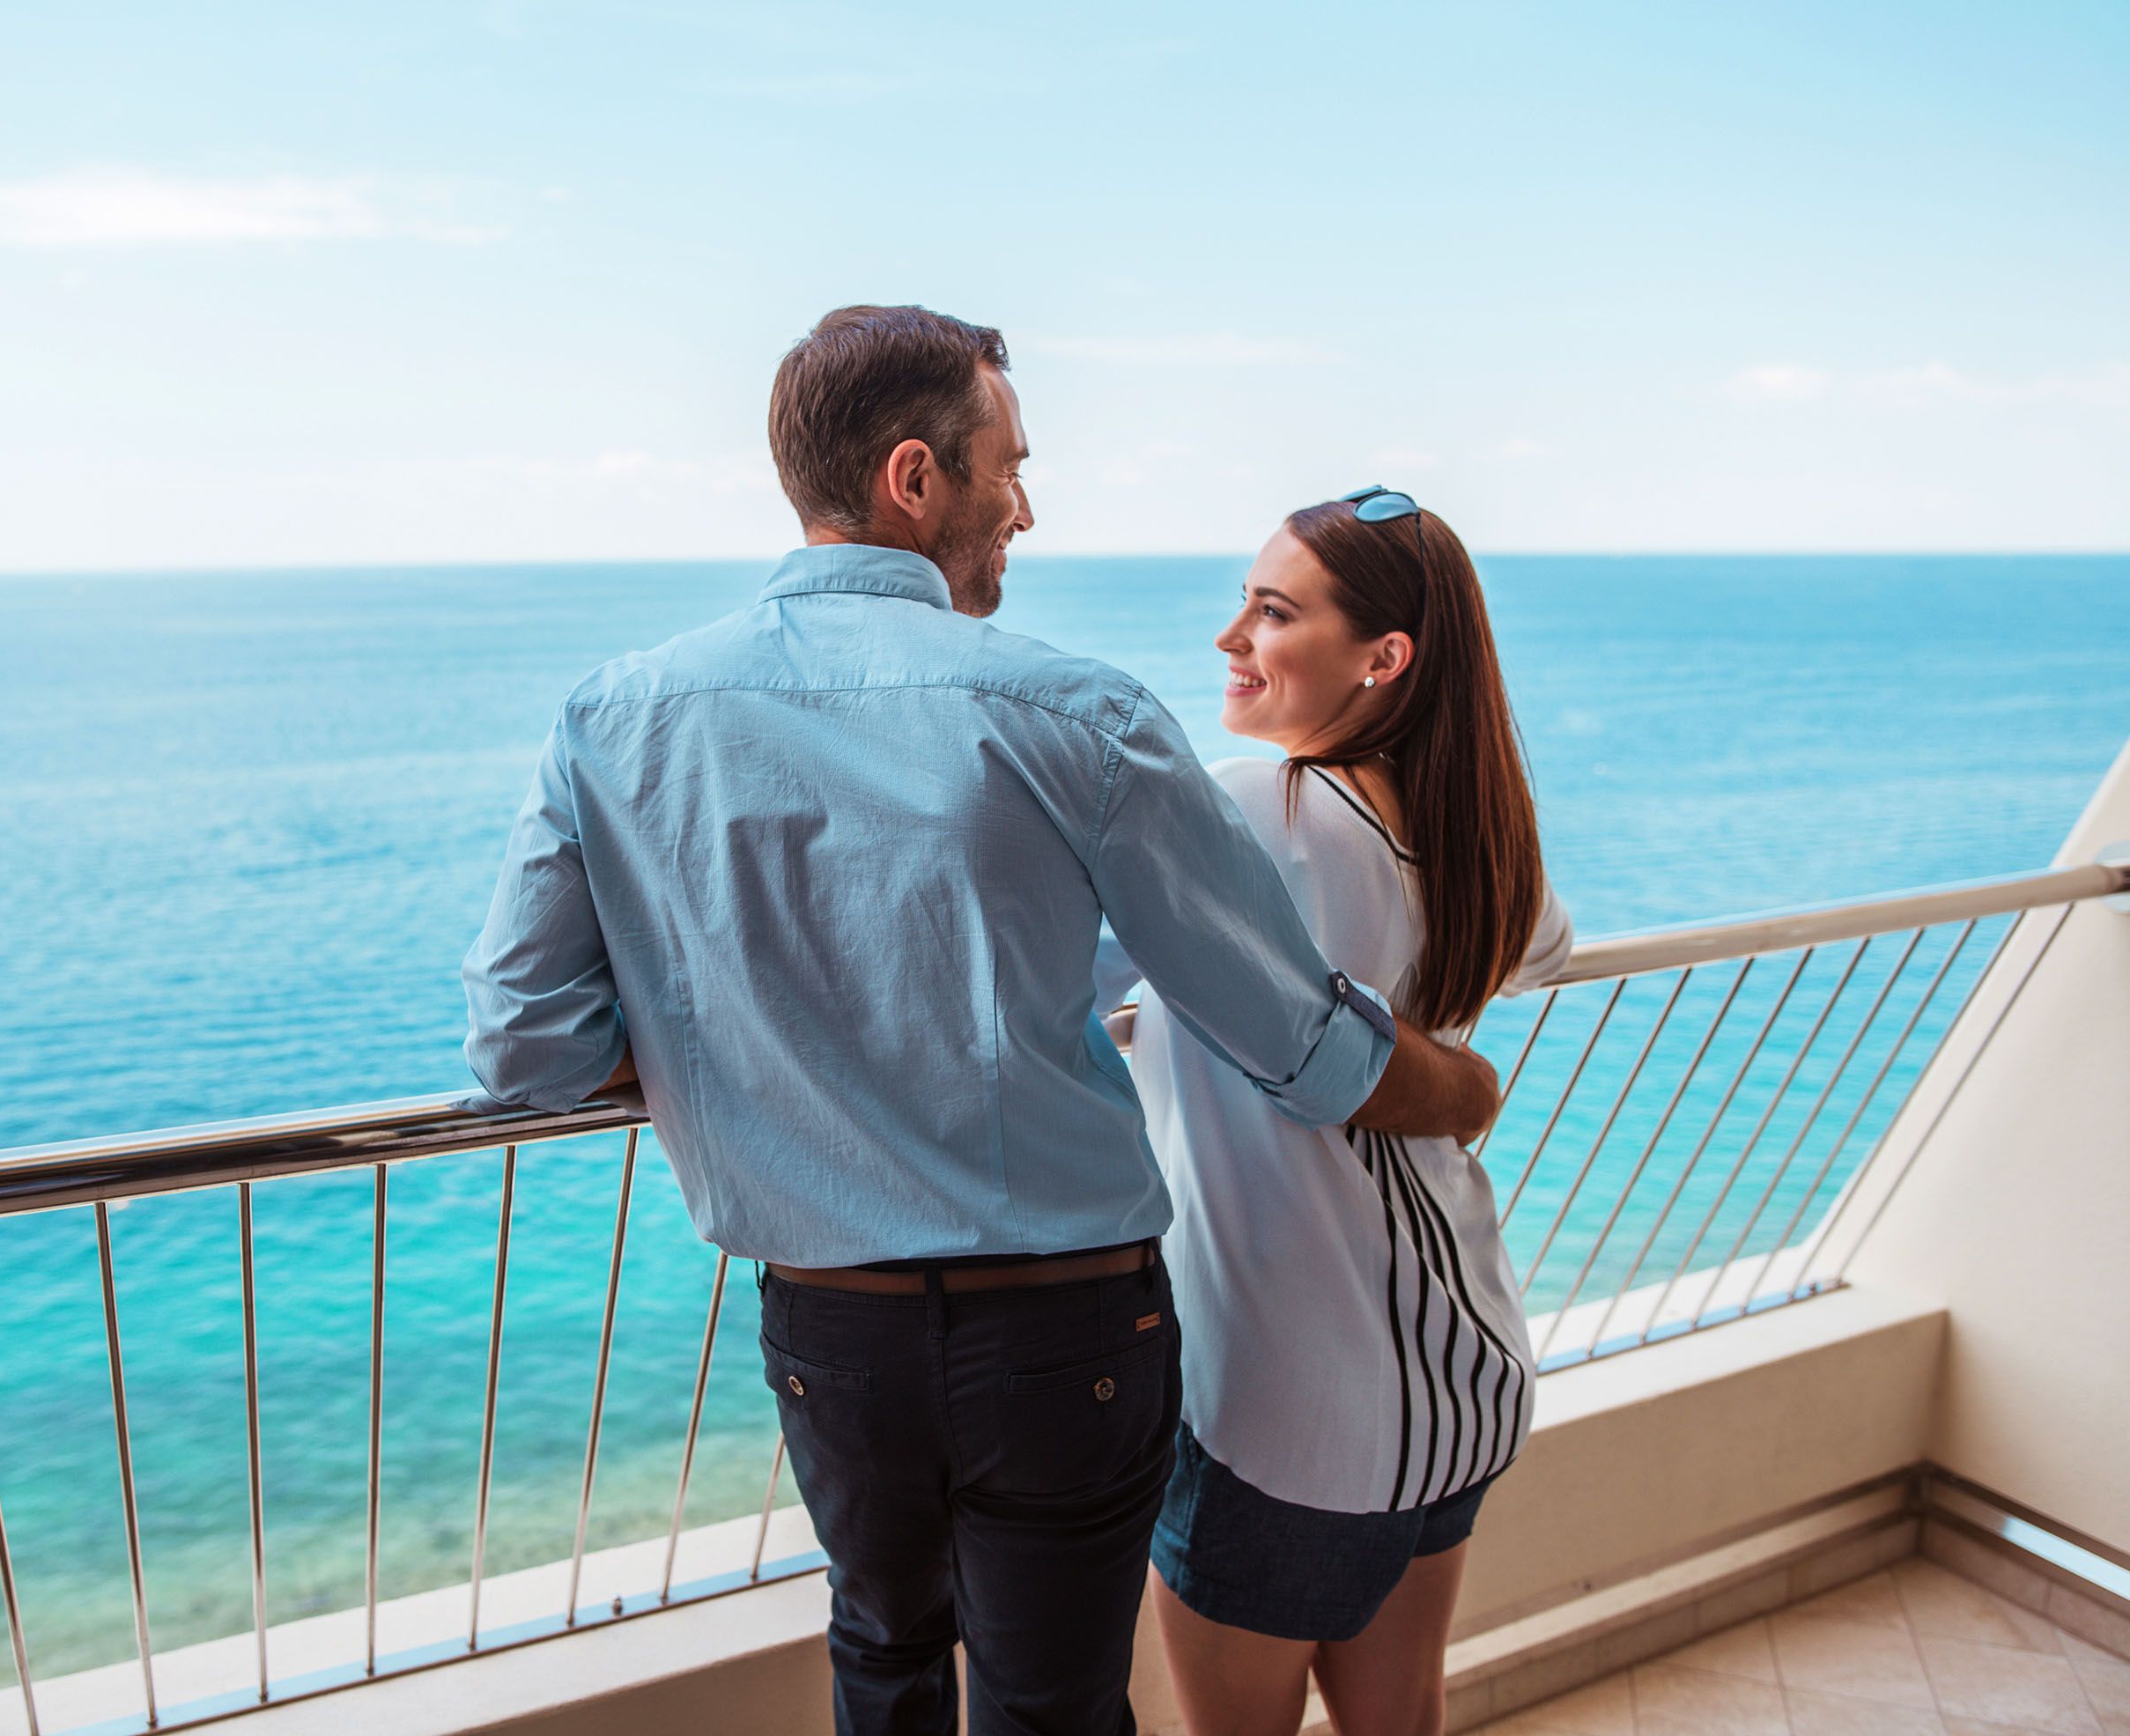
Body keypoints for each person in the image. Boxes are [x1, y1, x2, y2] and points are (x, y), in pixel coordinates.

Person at [462, 309, 1501, 1736]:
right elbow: (1302, 1046)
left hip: (829, 1330)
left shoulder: (614, 716)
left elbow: (526, 1053)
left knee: (881, 1661)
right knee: (1056, 1707)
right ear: (913, 479)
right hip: (1066, 1330)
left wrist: (752, 1054)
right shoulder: (1081, 715)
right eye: (1006, 467)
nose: (1026, 504)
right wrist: (1456, 1089)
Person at [1098, 490, 1572, 1736]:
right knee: (1396, 1714)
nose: (1228, 639)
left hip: (1283, 1407)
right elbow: (1544, 951)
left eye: (1270, 611)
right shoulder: (1482, 839)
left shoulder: (1258, 811)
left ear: (1382, 657)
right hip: (1462, 1371)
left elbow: (1034, 979)